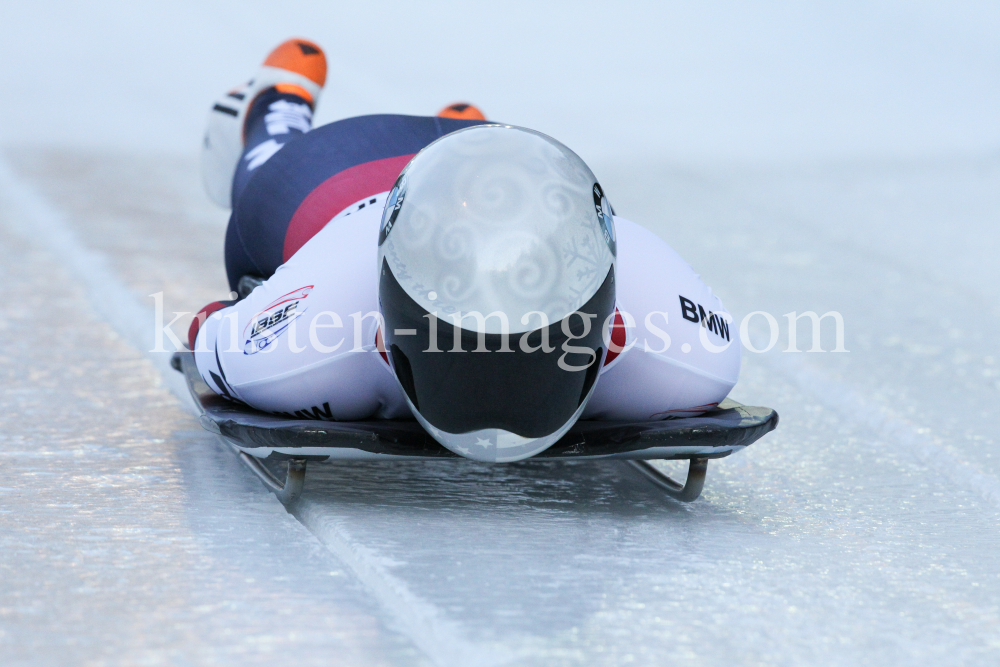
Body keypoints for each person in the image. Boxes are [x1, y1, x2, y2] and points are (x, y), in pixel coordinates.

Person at [190, 38, 740, 462]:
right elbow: (214, 332)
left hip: (482, 175)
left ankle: (464, 129)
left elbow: (208, 330)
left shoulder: (291, 362)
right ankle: (276, 105)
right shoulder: (295, 352)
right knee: (263, 180)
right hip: (333, 181)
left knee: (493, 174)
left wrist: (231, 320)